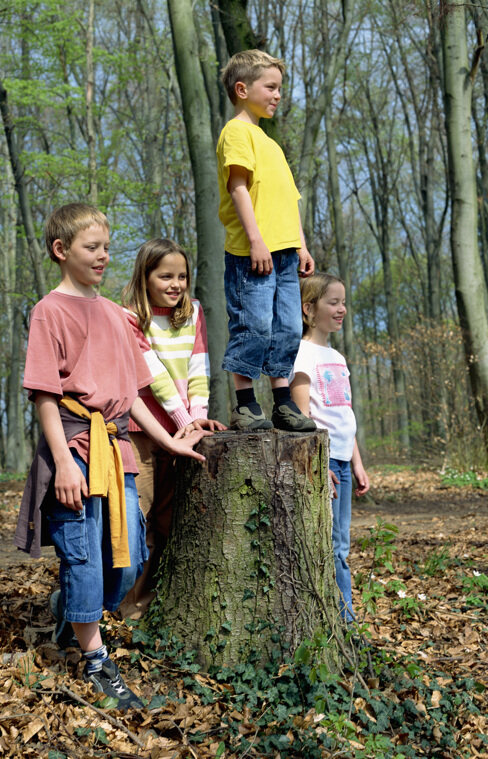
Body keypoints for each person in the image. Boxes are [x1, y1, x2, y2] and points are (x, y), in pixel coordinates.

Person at [14, 204, 210, 710]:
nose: (103, 256)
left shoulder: (117, 317)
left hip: (117, 448)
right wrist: (61, 462)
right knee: (82, 554)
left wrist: (169, 441)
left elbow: (137, 396)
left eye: (106, 247)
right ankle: (96, 658)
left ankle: (73, 615)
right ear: (62, 251)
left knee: (128, 562)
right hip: (77, 447)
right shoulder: (49, 310)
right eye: (91, 247)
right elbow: (45, 396)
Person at [118, 239, 225, 619]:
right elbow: (154, 378)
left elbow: (199, 368)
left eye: (182, 275)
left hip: (182, 431)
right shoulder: (129, 317)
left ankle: (150, 598)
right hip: (142, 432)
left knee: (168, 519)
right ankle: (124, 604)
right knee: (139, 518)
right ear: (145, 277)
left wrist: (198, 417)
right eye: (165, 276)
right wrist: (185, 424)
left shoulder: (193, 312)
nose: (175, 283)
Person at [216, 49, 316, 433]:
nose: (278, 95)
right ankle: (245, 404)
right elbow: (238, 187)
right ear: (242, 89)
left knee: (288, 327)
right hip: (252, 252)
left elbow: (288, 201)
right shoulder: (236, 132)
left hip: (286, 253)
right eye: (270, 87)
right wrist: (256, 241)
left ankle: (283, 402)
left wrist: (301, 245)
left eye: (280, 88)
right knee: (254, 325)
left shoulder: (270, 143)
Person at [289, 273, 370, 622]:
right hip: (324, 465)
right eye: (332, 303)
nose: (342, 309)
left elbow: (343, 415)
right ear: (309, 308)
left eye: (343, 302)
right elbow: (303, 418)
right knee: (330, 545)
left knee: (342, 544)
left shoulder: (336, 355)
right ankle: (343, 621)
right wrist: (320, 465)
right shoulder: (302, 353)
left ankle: (341, 616)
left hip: (342, 462)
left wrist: (358, 463)